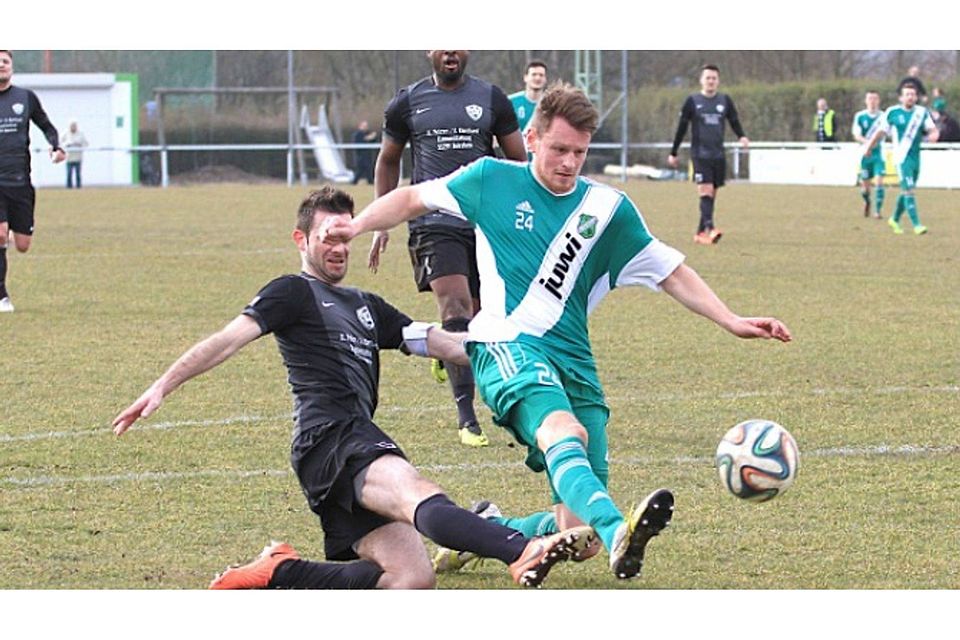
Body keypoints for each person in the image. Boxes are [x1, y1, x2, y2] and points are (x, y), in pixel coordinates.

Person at [323, 83, 793, 581]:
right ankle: (620, 532)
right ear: (532, 138)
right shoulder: (490, 180)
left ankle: (487, 527)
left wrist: (732, 320)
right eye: (559, 149)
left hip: (574, 360)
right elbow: (414, 196)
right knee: (564, 436)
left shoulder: (607, 210)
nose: (569, 163)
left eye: (580, 153)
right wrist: (358, 226)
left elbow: (670, 271)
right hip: (505, 345)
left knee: (578, 533)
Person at [112, 186, 592, 590]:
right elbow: (226, 340)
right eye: (328, 237)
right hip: (332, 437)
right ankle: (521, 548)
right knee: (416, 492)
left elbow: (437, 341)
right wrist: (162, 385)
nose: (339, 247)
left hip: (342, 447)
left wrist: (508, 348)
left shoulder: (366, 304)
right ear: (301, 240)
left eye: (345, 235)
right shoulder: (292, 292)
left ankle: (283, 571)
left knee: (411, 577)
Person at [370, 50, 528, 448]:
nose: (451, 51)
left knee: (479, 318)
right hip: (433, 222)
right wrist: (381, 221)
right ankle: (467, 417)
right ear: (430, 50)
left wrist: (520, 214)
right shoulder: (406, 102)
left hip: (483, 224)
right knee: (455, 308)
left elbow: (519, 161)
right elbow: (388, 161)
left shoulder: (492, 99)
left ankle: (445, 349)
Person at [0, 49, 65, 313]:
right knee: (0, 234)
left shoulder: (25, 98)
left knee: (23, 244)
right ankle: (2, 296)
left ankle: (11, 235)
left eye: (5, 61)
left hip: (20, 182)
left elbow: (47, 126)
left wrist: (56, 146)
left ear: (12, 67)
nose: (1, 65)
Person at [668, 64, 749, 246]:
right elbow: (682, 128)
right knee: (705, 191)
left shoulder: (725, 101)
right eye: (708, 78)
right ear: (701, 80)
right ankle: (710, 228)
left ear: (718, 81)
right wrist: (673, 152)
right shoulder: (692, 101)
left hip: (718, 155)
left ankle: (699, 233)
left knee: (711, 194)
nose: (711, 81)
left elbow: (734, 120)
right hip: (700, 154)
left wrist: (742, 136)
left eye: (714, 78)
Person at [864, 83, 939, 235]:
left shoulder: (921, 112)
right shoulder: (892, 112)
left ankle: (894, 219)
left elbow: (932, 129)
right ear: (901, 97)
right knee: (909, 190)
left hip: (915, 158)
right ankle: (917, 225)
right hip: (901, 158)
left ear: (916, 97)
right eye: (907, 94)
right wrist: (869, 147)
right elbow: (880, 132)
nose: (910, 97)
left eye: (913, 94)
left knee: (907, 190)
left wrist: (933, 134)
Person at [851, 90, 886, 219]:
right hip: (865, 155)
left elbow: (885, 132)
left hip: (878, 155)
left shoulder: (883, 116)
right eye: (870, 99)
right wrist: (868, 143)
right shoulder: (860, 116)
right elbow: (857, 135)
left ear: (878, 101)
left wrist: (874, 143)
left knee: (879, 182)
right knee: (865, 188)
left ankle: (878, 211)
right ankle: (867, 201)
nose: (872, 101)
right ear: (866, 101)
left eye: (875, 99)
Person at [508, 59, 548, 155]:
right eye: (534, 74)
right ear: (525, 78)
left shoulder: (551, 104)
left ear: (545, 79)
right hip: (516, 160)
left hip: (541, 161)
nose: (537, 78)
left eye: (541, 75)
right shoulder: (511, 102)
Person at [61, 119, 88, 189]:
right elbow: (61, 144)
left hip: (78, 158)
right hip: (69, 158)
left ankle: (78, 187)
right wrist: (68, 144)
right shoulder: (65, 134)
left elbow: (85, 143)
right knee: (69, 174)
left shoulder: (81, 134)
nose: (73, 127)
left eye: (74, 126)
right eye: (71, 126)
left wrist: (79, 144)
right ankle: (68, 187)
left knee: (78, 174)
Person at [350, 120, 376, 185]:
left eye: (366, 126)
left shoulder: (368, 133)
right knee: (360, 169)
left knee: (368, 168)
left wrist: (372, 138)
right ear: (360, 126)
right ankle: (355, 181)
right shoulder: (358, 134)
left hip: (367, 155)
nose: (365, 127)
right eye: (364, 126)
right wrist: (369, 137)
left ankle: (370, 181)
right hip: (360, 155)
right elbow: (362, 140)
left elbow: (373, 141)